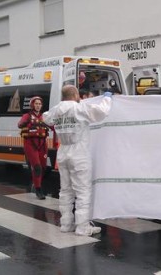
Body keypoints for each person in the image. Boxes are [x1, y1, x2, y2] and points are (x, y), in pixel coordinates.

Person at [43, 85, 112, 236]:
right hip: (79, 153)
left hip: (63, 152)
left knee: (66, 190)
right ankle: (82, 226)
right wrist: (107, 98)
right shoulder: (80, 108)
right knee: (82, 191)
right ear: (75, 94)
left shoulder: (56, 110)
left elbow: (46, 117)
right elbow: (101, 112)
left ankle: (66, 223)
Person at [18, 96, 51, 200]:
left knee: (44, 168)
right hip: (30, 144)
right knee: (37, 167)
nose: (38, 106)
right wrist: (23, 123)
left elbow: (53, 127)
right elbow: (19, 124)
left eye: (39, 104)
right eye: (36, 104)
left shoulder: (44, 117)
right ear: (32, 105)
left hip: (42, 144)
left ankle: (36, 183)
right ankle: (38, 189)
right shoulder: (27, 116)